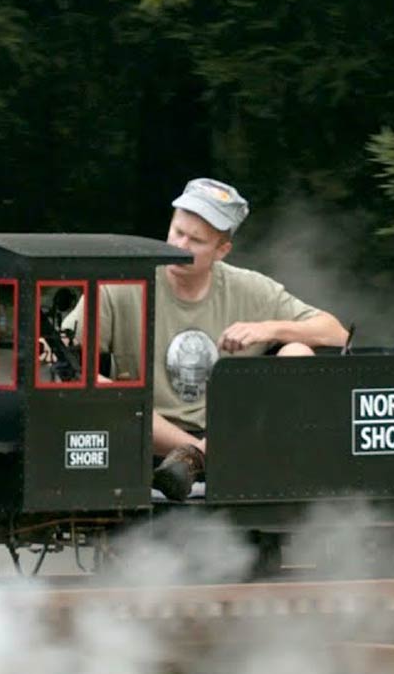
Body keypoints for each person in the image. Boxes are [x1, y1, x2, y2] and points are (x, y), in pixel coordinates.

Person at [80, 178, 348, 500]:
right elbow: (65, 361)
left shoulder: (252, 289)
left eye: (196, 240)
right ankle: (197, 456)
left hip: (242, 443)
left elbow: (337, 333)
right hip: (145, 438)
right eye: (177, 231)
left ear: (222, 250)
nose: (180, 245)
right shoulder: (120, 285)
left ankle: (202, 460)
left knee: (298, 352)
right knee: (87, 381)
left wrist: (270, 329)